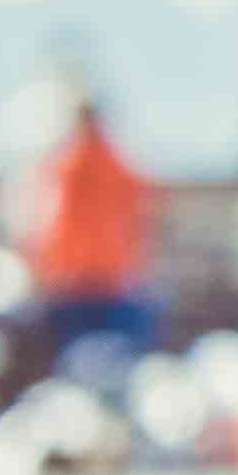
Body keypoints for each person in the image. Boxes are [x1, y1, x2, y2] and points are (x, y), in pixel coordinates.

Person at [16, 75, 161, 391]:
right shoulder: (120, 164)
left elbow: (49, 225)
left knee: (73, 370)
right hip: (114, 281)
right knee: (120, 367)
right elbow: (143, 217)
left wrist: (42, 271)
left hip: (76, 285)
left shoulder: (66, 166)